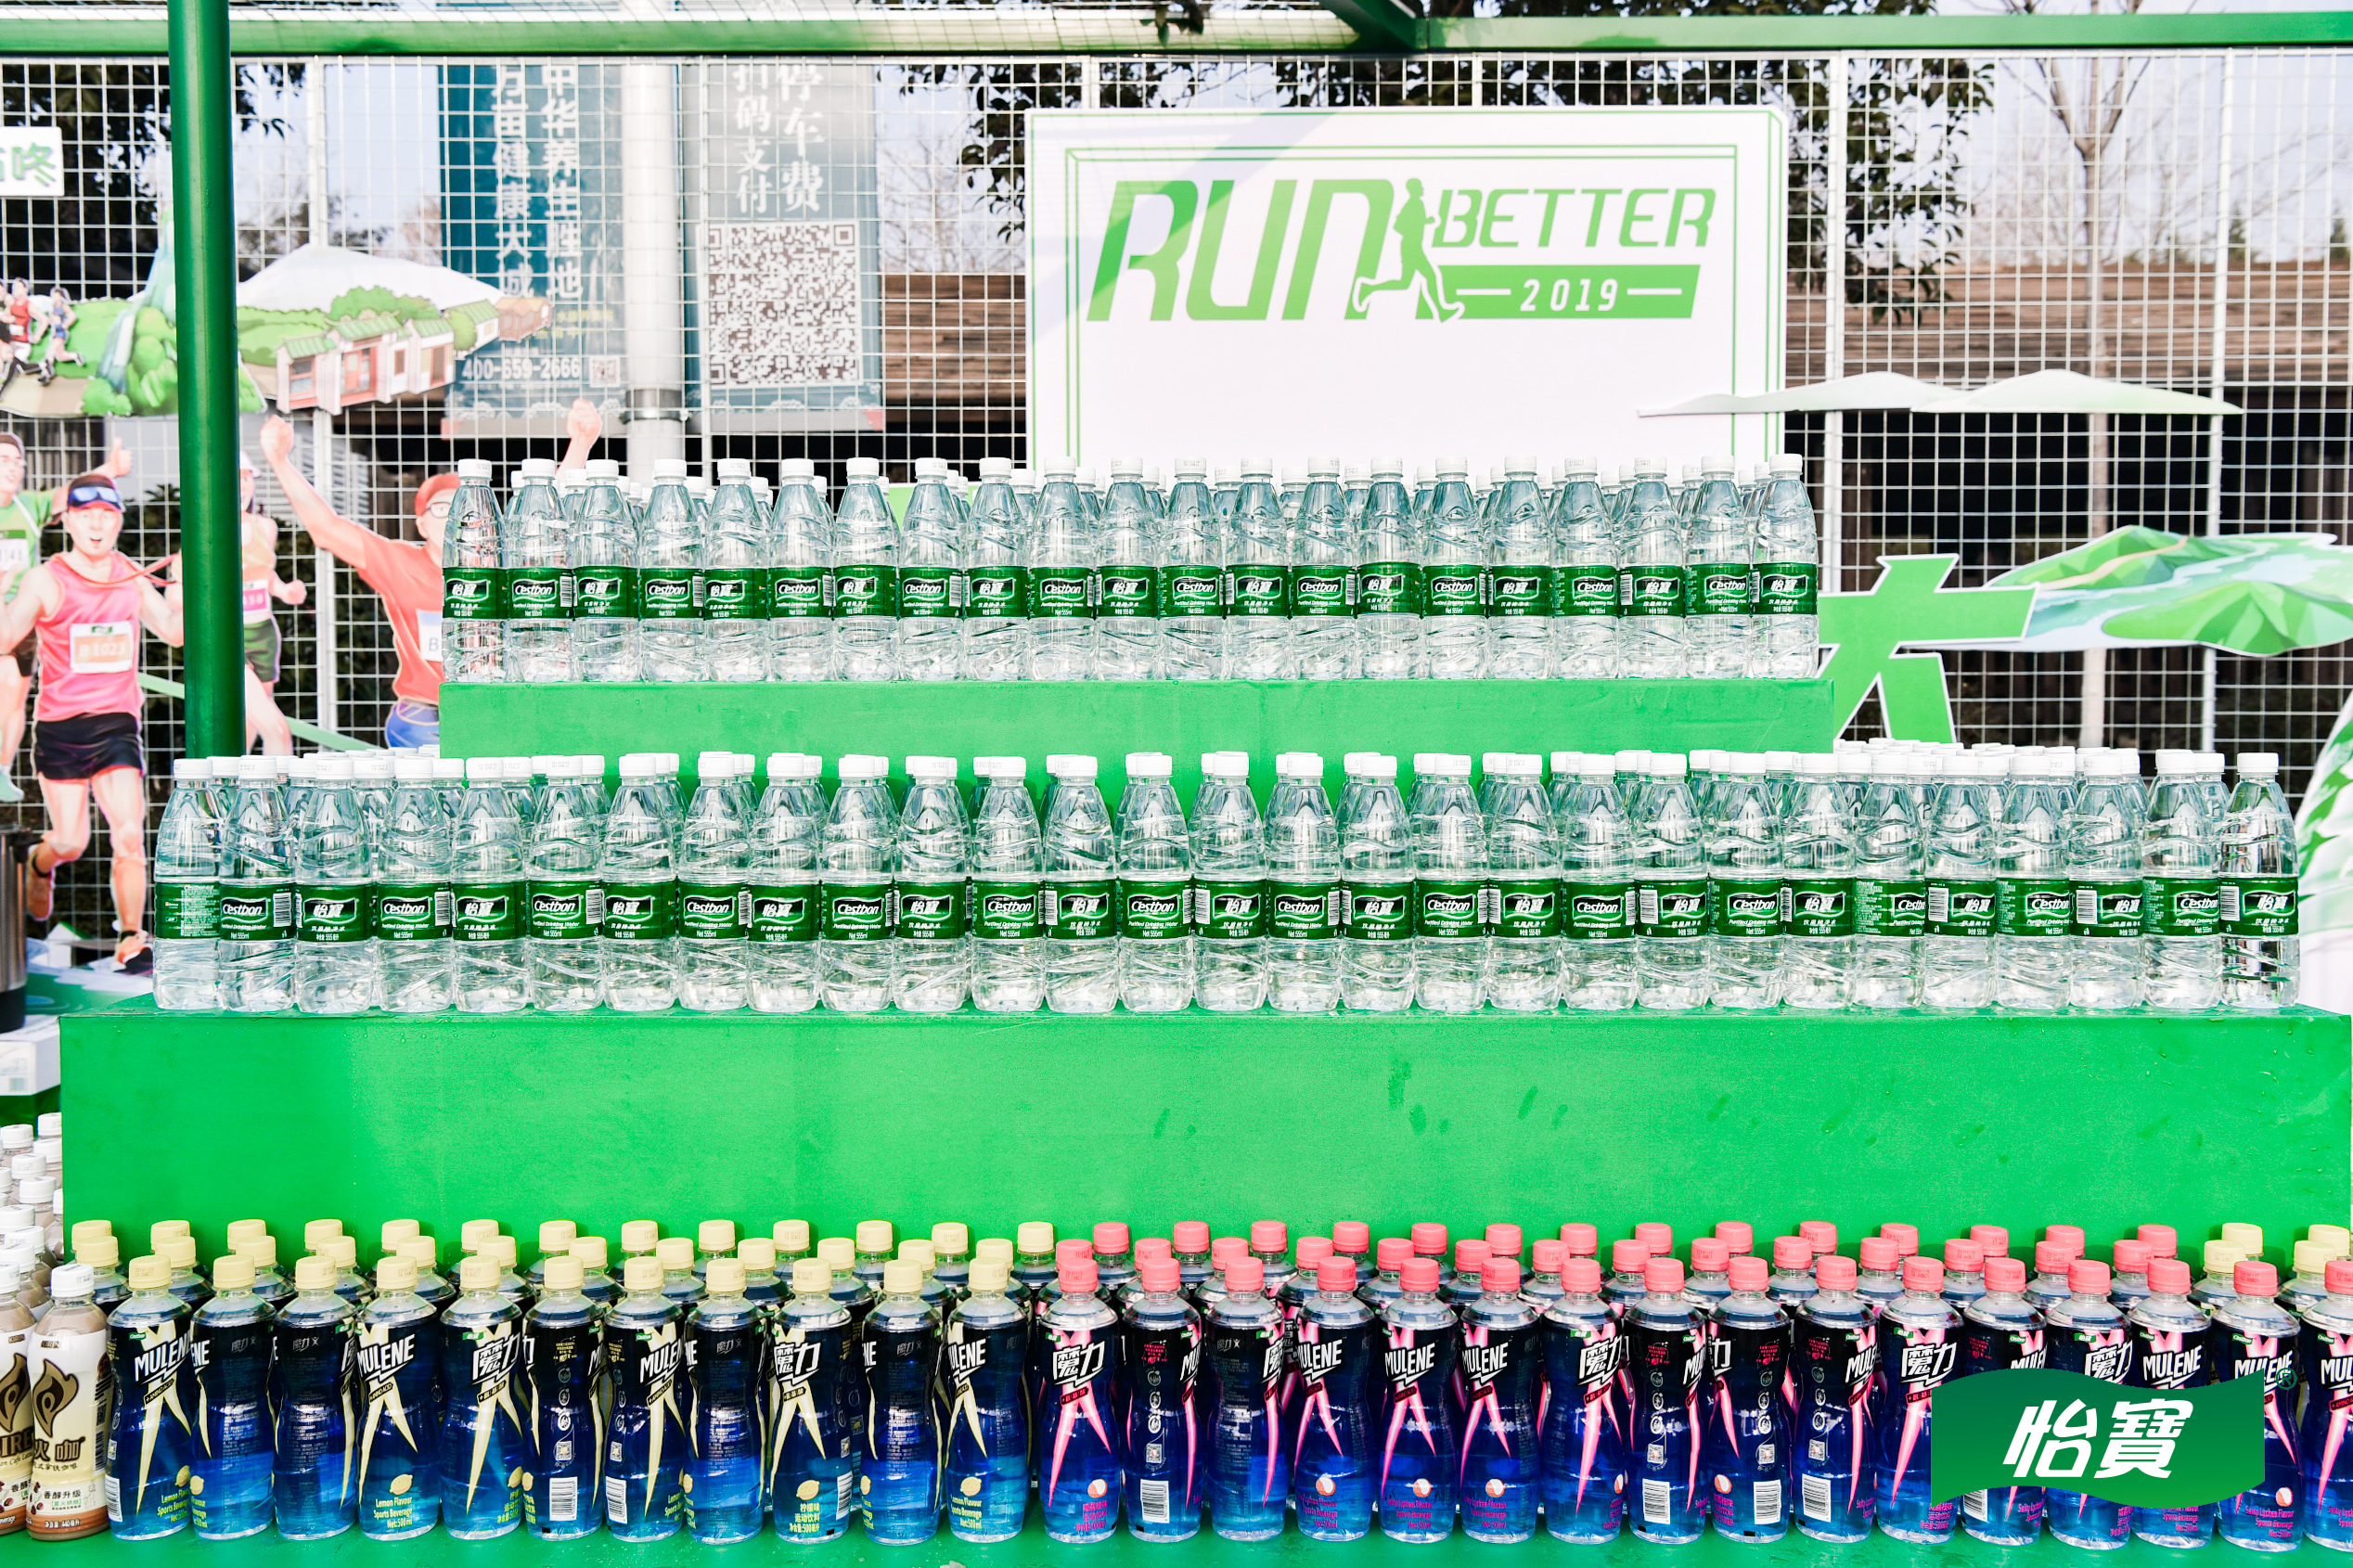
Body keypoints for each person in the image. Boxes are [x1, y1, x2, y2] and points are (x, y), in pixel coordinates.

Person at [256, 396, 603, 748]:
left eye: (465, 508)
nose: (455, 518)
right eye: (441, 508)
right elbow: (327, 529)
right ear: (420, 524)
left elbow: (546, 515)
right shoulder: (400, 562)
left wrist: (580, 443)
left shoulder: (502, 567)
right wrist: (279, 462)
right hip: (426, 709)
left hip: (492, 701)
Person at [0, 472, 183, 970]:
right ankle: (39, 862)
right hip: (61, 727)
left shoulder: (129, 575)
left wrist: (185, 588)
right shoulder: (46, 579)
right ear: (67, 521)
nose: (97, 526)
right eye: (86, 516)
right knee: (71, 840)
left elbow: (173, 632)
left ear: (119, 521)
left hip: (117, 723)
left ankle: (131, 938)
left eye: (107, 515)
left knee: (129, 833)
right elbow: (7, 638)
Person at [0, 431, 133, 793]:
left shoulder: (28, 506)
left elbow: (69, 494)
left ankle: (2, 771)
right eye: (3, 460)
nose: (12, 468)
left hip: (20, 616)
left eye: (17, 462)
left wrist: (110, 468)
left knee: (14, 694)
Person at [237, 450, 305, 755]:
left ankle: (238, 783)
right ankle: (276, 784)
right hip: (230, 637)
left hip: (263, 633)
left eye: (246, 478)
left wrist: (286, 591)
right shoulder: (206, 530)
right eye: (234, 478)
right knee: (276, 730)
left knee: (248, 727)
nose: (242, 486)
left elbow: (265, 574)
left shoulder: (265, 527)